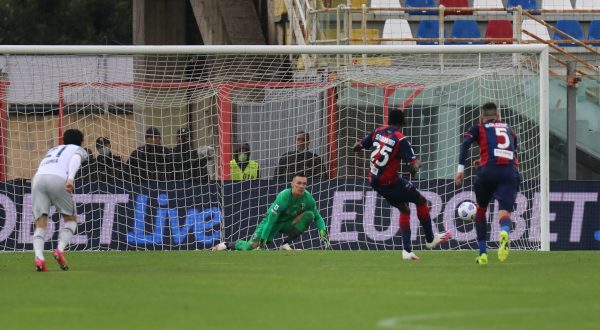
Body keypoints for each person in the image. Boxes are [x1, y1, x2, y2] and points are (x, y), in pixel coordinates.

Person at [352, 109, 452, 260]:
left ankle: (407, 252)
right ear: (403, 123)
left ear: (388, 121)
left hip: (374, 181)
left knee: (404, 209)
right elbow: (413, 164)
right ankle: (431, 239)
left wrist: (359, 146)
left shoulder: (378, 131)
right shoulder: (400, 139)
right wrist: (416, 167)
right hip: (390, 182)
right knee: (421, 201)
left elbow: (358, 146)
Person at [454, 102, 520, 266]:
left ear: (481, 117)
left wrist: (460, 169)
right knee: (504, 212)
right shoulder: (509, 128)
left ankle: (483, 254)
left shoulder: (478, 128)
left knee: (481, 210)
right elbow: (513, 152)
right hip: (509, 172)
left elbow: (465, 144)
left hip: (488, 172)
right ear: (498, 117)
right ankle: (504, 232)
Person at [212, 173, 330, 251]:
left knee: (310, 215)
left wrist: (324, 235)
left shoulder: (308, 198)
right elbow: (270, 221)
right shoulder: (283, 197)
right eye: (298, 183)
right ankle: (227, 245)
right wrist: (263, 243)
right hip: (272, 223)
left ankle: (285, 244)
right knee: (249, 248)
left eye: (304, 184)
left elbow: (318, 218)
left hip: (288, 223)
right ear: (292, 184)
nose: (301, 186)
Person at [31, 129, 88, 271]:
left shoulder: (53, 149)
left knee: (40, 223)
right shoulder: (79, 149)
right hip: (57, 179)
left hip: (38, 179)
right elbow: (75, 159)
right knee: (71, 220)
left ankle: (39, 258)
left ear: (64, 140)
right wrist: (70, 179)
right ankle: (59, 250)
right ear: (81, 141)